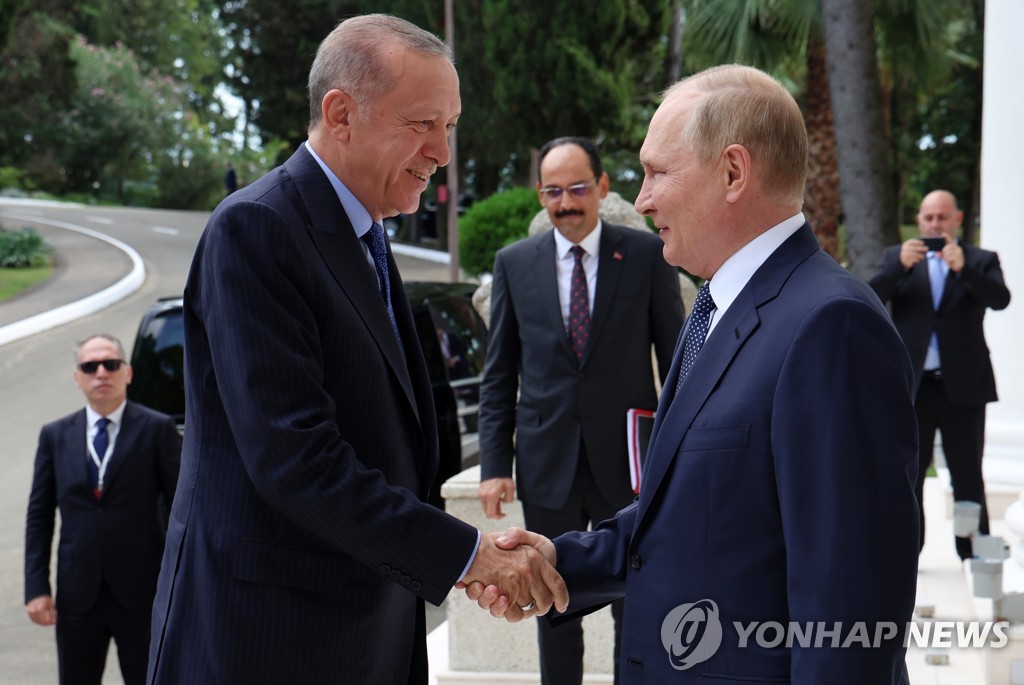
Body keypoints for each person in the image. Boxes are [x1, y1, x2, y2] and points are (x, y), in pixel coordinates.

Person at [146, 14, 566, 685]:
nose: (442, 152)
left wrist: (453, 559)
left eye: (449, 126)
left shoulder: (364, 233)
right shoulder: (257, 229)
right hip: (268, 640)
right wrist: (467, 557)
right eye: (423, 123)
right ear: (340, 114)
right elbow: (295, 460)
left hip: (362, 630)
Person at [467, 65, 921, 683]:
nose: (643, 199)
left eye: (657, 171)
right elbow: (688, 515)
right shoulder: (717, 307)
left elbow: (851, 604)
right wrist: (561, 558)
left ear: (733, 172)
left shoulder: (830, 327)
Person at [477, 135, 683, 684]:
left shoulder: (644, 255)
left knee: (633, 600)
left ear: (602, 188)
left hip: (627, 465)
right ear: (539, 194)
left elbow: (679, 362)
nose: (565, 202)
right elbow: (500, 375)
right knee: (552, 602)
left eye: (576, 188)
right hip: (548, 466)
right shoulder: (514, 264)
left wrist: (680, 454)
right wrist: (496, 466)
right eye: (552, 191)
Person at [24, 334, 181, 685]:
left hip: (143, 593)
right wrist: (36, 587)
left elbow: (179, 512)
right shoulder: (55, 436)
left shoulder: (158, 429)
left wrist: (181, 583)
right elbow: (39, 516)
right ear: (77, 377)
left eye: (111, 364)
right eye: (89, 366)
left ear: (127, 373)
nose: (101, 373)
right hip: (78, 595)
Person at [869, 190, 1011, 560]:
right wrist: (898, 266)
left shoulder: (980, 259)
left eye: (942, 218)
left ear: (958, 220)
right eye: (929, 218)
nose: (935, 225)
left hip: (964, 386)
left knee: (967, 474)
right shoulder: (897, 258)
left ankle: (973, 552)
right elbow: (867, 297)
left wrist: (964, 268)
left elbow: (1001, 299)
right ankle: (905, 554)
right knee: (909, 474)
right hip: (912, 388)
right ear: (919, 220)